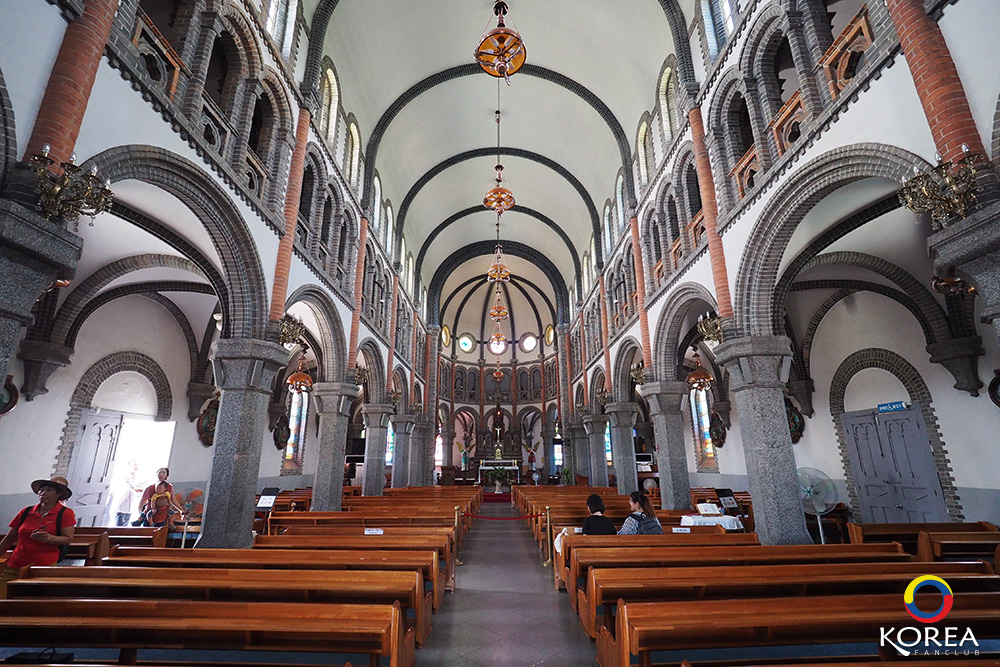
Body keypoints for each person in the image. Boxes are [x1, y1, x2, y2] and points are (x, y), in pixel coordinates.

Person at [0, 476, 76, 598]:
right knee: (3, 595)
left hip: (44, 565)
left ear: (58, 494)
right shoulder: (26, 511)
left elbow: (68, 538)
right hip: (17, 561)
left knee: (35, 600)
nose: (43, 493)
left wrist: (48, 538)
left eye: (48, 490)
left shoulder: (65, 513)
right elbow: (9, 538)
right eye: (41, 490)